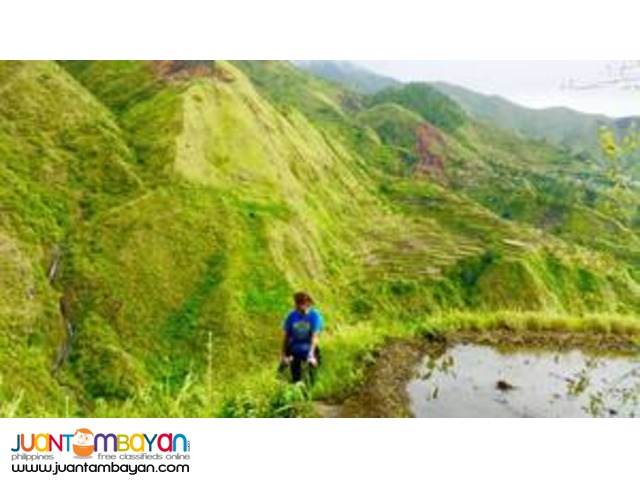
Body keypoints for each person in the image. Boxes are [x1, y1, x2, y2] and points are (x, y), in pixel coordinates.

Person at [279, 291, 323, 383]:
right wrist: (283, 355)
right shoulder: (291, 316)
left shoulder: (315, 316)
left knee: (314, 367)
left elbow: (314, 337)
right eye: (297, 303)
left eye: (301, 303)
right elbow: (286, 336)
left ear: (308, 304)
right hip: (294, 348)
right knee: (289, 373)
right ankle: (293, 384)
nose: (298, 306)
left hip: (309, 347)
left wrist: (311, 355)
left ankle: (311, 385)